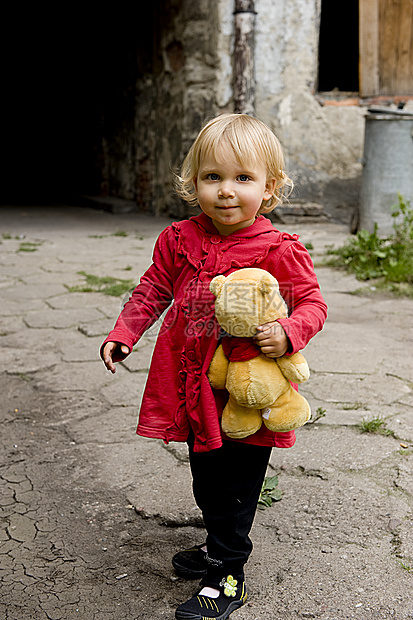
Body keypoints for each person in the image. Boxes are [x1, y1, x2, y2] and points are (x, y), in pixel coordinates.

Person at [101, 113, 328, 620]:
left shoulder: (278, 249)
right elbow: (154, 289)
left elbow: (312, 303)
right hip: (193, 382)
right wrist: (124, 332)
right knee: (206, 478)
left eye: (243, 178)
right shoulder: (178, 239)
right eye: (213, 177)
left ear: (269, 187)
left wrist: (290, 331)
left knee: (237, 483)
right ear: (194, 182)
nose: (227, 192)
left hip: (248, 390)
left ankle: (227, 572)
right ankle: (216, 544)